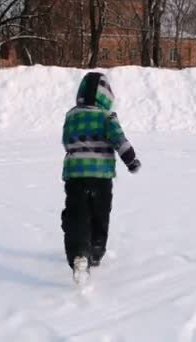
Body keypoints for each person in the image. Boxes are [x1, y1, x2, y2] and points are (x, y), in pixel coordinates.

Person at [61, 72, 141, 279]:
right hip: (101, 178)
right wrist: (131, 161)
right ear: (106, 97)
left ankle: (79, 253)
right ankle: (95, 251)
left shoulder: (71, 115)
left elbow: (66, 141)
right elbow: (119, 140)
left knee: (77, 214)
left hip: (75, 176)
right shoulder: (107, 117)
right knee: (100, 213)